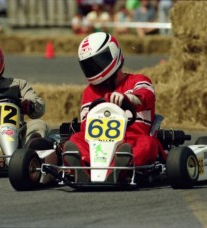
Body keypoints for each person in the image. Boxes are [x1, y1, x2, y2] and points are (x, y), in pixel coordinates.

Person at [63, 32, 164, 182]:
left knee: (148, 144)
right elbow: (86, 128)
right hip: (99, 146)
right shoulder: (90, 92)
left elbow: (147, 96)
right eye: (89, 65)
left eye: (97, 62)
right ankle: (84, 170)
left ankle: (121, 166)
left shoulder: (138, 80)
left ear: (112, 54)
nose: (94, 68)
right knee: (75, 138)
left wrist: (131, 99)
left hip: (131, 140)